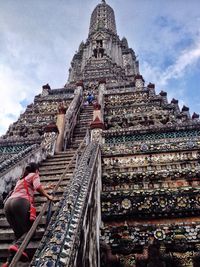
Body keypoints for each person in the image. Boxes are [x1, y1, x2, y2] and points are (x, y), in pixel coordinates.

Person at [3, 162, 53, 266]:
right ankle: (18, 248)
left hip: (8, 205)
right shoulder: (34, 175)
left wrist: (47, 187)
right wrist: (48, 196)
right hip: (20, 202)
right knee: (31, 230)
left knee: (19, 234)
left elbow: (31, 187)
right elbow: (37, 186)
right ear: (36, 170)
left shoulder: (21, 179)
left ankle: (9, 261)